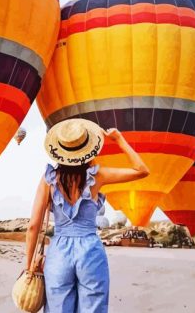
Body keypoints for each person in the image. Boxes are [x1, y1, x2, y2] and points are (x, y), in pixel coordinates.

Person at [26, 119, 150, 313]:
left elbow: (33, 225)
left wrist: (28, 268)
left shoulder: (48, 179)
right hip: (90, 249)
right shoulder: (97, 176)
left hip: (58, 250)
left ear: (59, 150)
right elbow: (142, 170)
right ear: (88, 149)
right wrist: (119, 139)